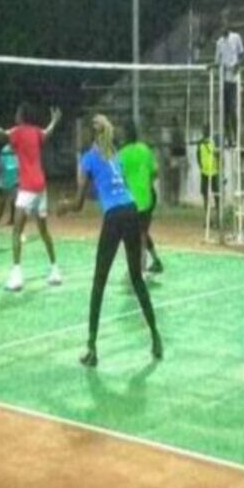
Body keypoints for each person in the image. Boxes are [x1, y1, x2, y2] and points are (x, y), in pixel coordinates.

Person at [59, 114, 163, 368]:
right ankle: (156, 338)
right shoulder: (113, 154)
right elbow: (123, 185)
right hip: (130, 209)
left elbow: (79, 203)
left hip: (115, 216)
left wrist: (65, 206)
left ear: (92, 135)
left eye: (84, 131)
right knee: (137, 279)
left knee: (99, 283)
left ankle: (92, 348)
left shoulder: (89, 158)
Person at [0, 104, 62, 291]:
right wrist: (55, 120)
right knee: (43, 230)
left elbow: (0, 134)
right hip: (41, 186)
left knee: (16, 231)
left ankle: (16, 276)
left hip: (27, 188)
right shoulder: (36, 132)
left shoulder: (18, 132)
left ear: (22, 116)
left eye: (17, 112)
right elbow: (48, 132)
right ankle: (55, 270)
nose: (15, 114)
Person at [118, 121, 163, 275]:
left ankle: (140, 267)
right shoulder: (145, 150)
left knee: (136, 234)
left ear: (125, 135)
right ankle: (154, 261)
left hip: (131, 201)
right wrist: (146, 181)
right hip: (148, 198)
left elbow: (119, 179)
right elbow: (156, 172)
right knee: (142, 231)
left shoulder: (122, 154)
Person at [214, 20, 244, 146]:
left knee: (233, 110)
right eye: (221, 27)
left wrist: (238, 64)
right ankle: (229, 138)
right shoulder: (219, 43)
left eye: (224, 27)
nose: (223, 29)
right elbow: (217, 60)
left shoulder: (236, 37)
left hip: (235, 79)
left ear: (228, 26)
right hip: (224, 79)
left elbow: (242, 53)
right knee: (225, 112)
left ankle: (236, 137)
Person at [0, 143, 18, 249]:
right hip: (4, 182)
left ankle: (17, 231)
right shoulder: (6, 150)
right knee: (0, 209)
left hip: (15, 182)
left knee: (18, 206)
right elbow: (2, 168)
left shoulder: (20, 148)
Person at [197, 125, 220, 228]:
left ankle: (218, 220)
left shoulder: (214, 141)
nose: (204, 132)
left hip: (214, 172)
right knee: (206, 197)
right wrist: (201, 167)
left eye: (205, 130)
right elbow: (198, 156)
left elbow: (218, 155)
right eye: (204, 130)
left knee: (216, 197)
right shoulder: (200, 143)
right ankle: (208, 220)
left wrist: (218, 167)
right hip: (205, 172)